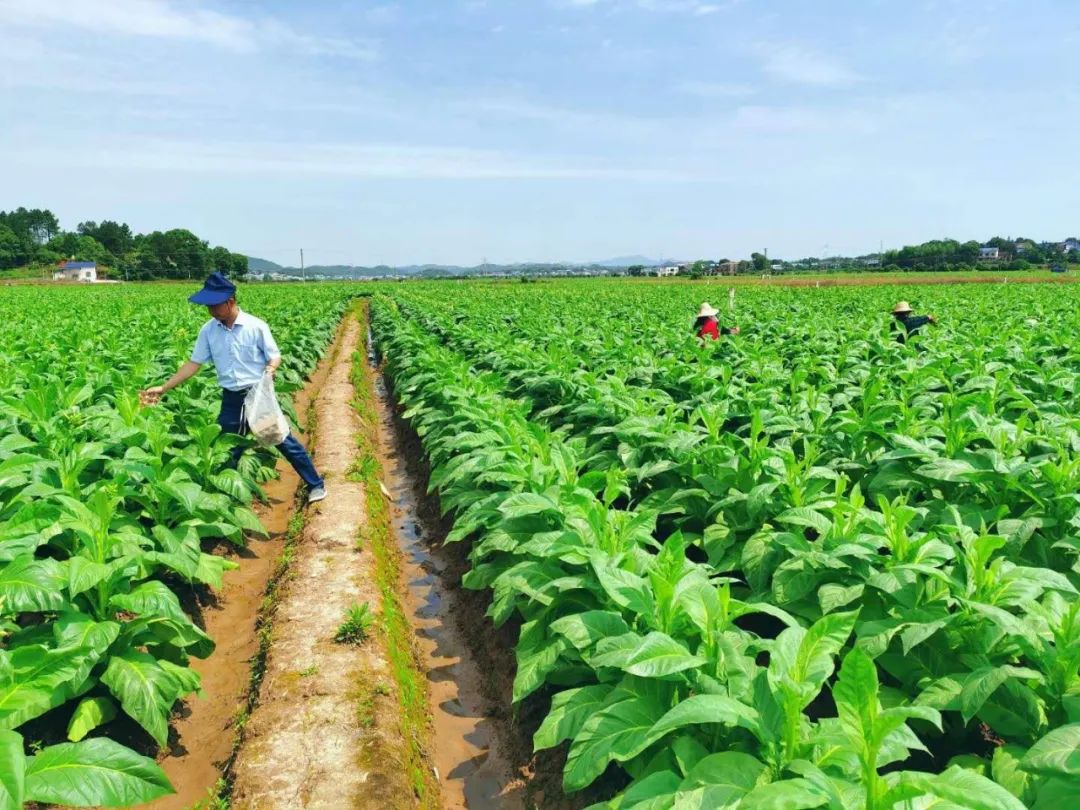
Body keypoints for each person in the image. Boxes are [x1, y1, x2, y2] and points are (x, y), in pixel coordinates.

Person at [140, 272, 327, 503]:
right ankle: (226, 500)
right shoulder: (208, 330)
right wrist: (164, 387)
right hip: (231, 399)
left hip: (257, 396)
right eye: (207, 306)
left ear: (230, 302)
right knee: (227, 450)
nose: (210, 311)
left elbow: (274, 356)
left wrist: (270, 368)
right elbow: (193, 364)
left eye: (214, 306)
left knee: (283, 441)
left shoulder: (255, 326)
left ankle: (316, 485)